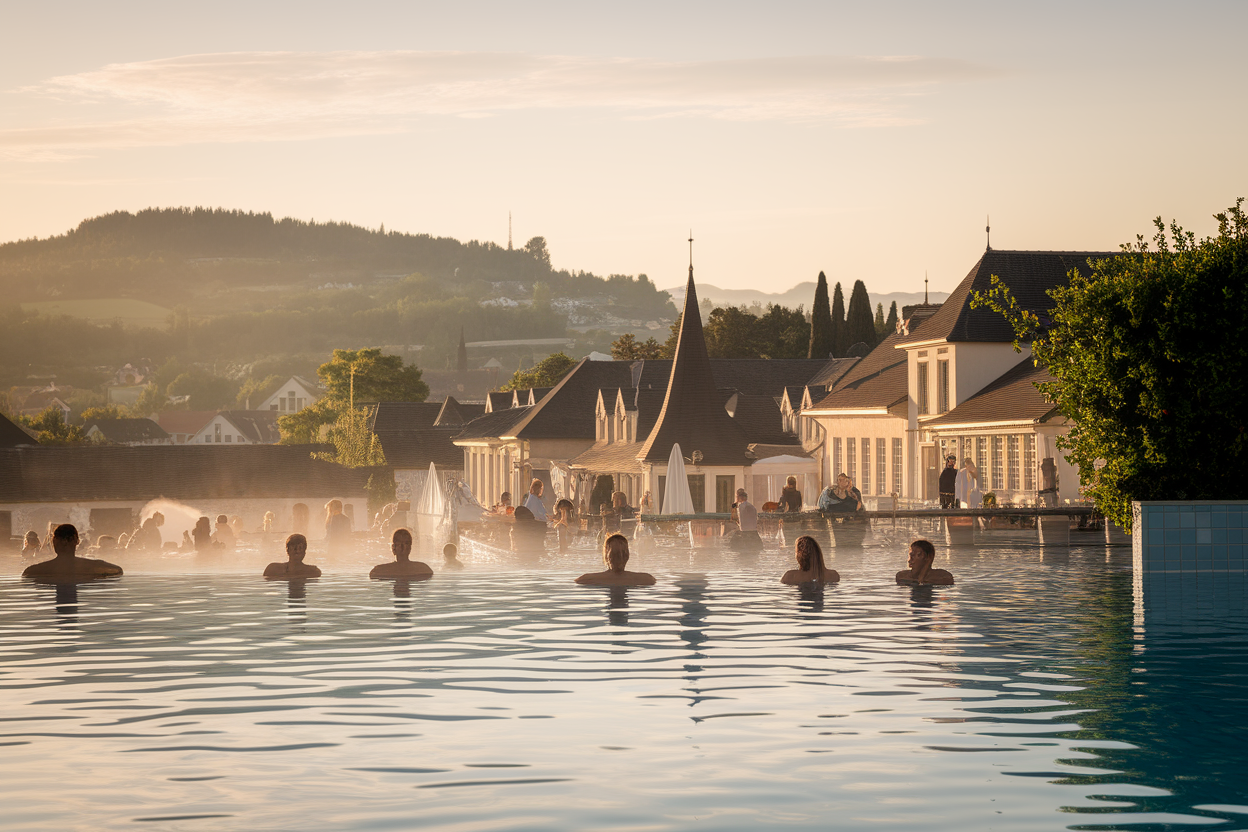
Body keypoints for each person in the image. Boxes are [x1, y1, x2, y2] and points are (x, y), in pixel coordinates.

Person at [22, 523, 123, 582]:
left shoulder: (36, 570)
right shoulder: (94, 566)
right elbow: (118, 571)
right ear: (77, 541)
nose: (64, 543)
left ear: (54, 542)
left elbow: (26, 576)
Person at [575, 533, 655, 586]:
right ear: (627, 556)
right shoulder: (647, 579)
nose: (619, 555)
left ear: (606, 556)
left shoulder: (585, 579)